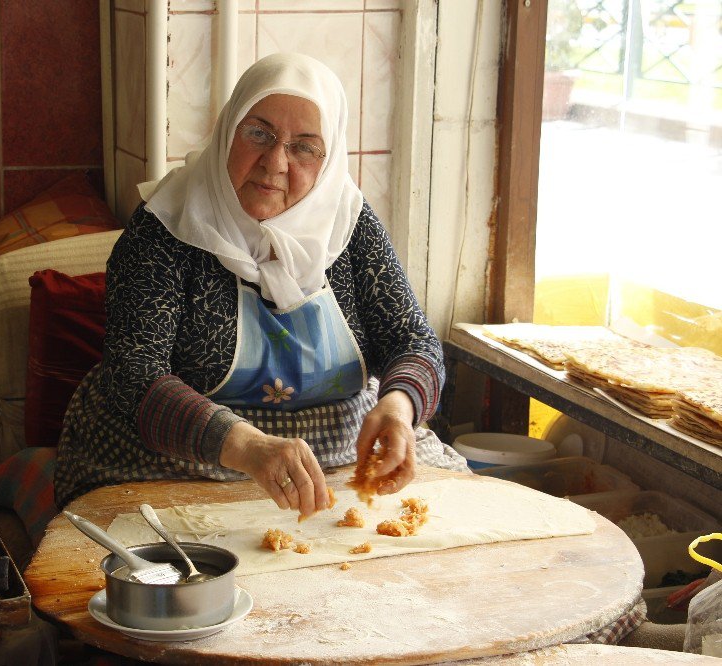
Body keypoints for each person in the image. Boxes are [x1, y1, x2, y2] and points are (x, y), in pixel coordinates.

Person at [52, 52, 467, 516]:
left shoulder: (346, 221)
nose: (275, 162)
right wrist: (248, 446)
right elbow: (133, 376)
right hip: (182, 459)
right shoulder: (166, 226)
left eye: (305, 146)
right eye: (259, 133)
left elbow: (413, 340)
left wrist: (398, 407)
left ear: (329, 160)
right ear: (229, 130)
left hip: (343, 450)